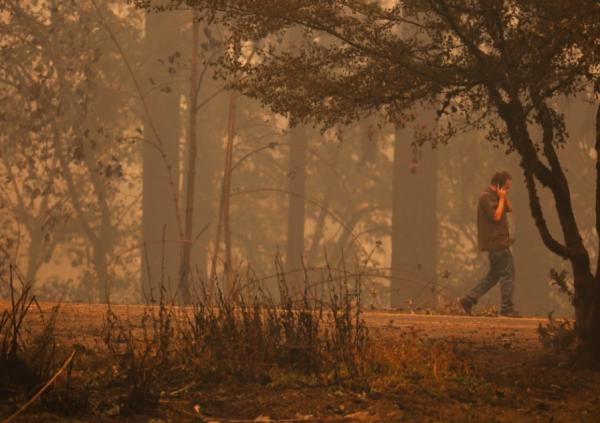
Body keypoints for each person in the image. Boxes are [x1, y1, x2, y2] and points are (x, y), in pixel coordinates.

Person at [460, 171, 521, 317]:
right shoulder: (486, 197)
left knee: (494, 275)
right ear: (498, 185)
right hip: (496, 243)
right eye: (506, 187)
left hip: (499, 242)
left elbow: (510, 209)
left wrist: (502, 197)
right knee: (508, 274)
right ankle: (506, 308)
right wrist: (501, 198)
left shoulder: (497, 197)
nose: (507, 190)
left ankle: (469, 298)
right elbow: (497, 216)